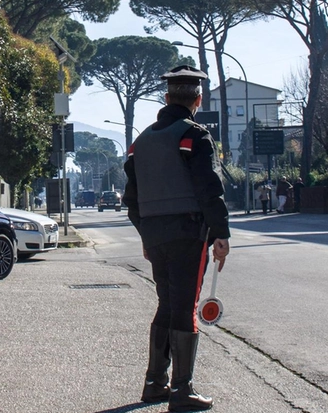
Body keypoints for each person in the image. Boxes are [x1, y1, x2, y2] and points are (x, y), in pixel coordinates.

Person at [123, 65, 230, 412]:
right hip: (187, 233)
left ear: (166, 97)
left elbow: (132, 199)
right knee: (185, 307)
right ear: (197, 100)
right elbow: (208, 188)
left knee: (167, 304)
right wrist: (220, 233)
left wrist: (145, 232)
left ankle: (155, 383)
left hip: (154, 234)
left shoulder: (139, 143)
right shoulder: (194, 135)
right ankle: (182, 391)